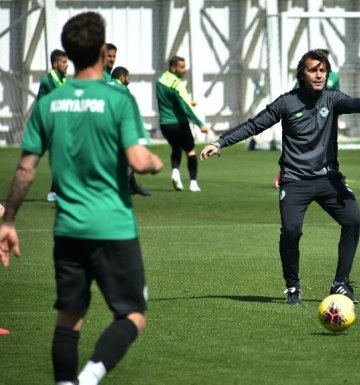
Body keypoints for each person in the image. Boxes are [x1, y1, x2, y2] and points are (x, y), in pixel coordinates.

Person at [0, 11, 163, 385]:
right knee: (133, 314)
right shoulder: (117, 98)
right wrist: (154, 160)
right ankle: (89, 377)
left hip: (68, 229)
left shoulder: (49, 103)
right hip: (113, 228)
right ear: (103, 50)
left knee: (69, 319)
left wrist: (8, 220)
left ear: (69, 54)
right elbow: (139, 160)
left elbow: (25, 169)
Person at [200, 49, 360, 304]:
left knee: (353, 219)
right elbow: (254, 125)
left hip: (329, 180)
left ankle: (340, 283)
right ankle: (292, 287)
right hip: (294, 181)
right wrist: (220, 142)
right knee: (291, 231)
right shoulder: (286, 102)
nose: (319, 75)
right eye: (313, 70)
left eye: (323, 70)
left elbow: (352, 103)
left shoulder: (332, 99)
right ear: (302, 74)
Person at [156, 56, 209, 192]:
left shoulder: (161, 80)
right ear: (173, 68)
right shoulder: (177, 84)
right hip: (179, 123)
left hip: (164, 124)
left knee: (176, 148)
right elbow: (184, 107)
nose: (185, 70)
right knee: (190, 151)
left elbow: (171, 101)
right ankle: (193, 183)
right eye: (182, 67)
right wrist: (199, 124)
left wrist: (188, 102)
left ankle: (175, 172)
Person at [111, 66, 152, 196]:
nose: (130, 80)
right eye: (128, 77)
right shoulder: (123, 90)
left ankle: (131, 186)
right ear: (122, 77)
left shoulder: (104, 85)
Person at [37, 49, 69, 202]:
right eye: (63, 62)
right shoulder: (49, 80)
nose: (67, 65)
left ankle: (56, 190)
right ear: (55, 64)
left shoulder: (63, 79)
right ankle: (55, 191)